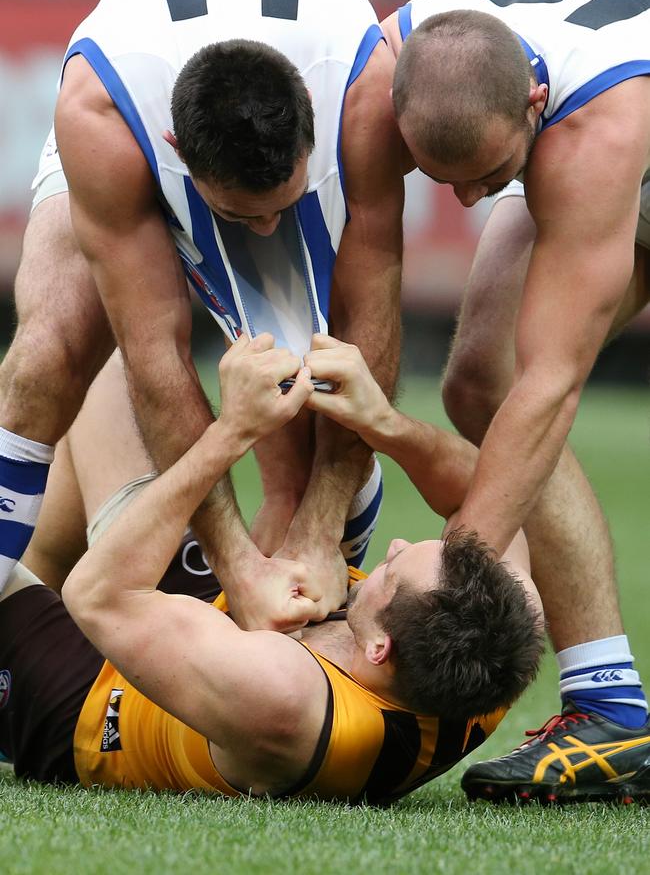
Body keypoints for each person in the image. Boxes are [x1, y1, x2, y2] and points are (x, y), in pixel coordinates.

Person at [0, 0, 405, 630]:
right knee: (48, 357)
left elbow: (370, 324)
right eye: (242, 217)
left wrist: (318, 529)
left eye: (281, 207)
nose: (268, 232)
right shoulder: (103, 112)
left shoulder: (363, 93)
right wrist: (237, 565)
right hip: (130, 113)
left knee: (305, 404)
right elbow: (155, 352)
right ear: (177, 151)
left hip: (293, 110)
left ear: (311, 125)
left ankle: (275, 624)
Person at [0, 335, 543, 803]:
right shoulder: (500, 639)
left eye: (392, 570)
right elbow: (488, 493)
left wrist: (231, 431)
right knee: (121, 363)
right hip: (211, 617)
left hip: (92, 703)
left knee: (106, 366)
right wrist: (384, 423)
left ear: (379, 647)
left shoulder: (286, 699)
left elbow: (97, 594)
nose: (396, 545)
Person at [381, 0, 650, 800]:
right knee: (475, 383)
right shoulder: (387, 56)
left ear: (534, 105)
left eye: (488, 177)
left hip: (626, 103)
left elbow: (553, 382)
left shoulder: (593, 132)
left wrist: (447, 590)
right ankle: (616, 714)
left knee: (529, 380)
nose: (464, 204)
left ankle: (611, 711)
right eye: (441, 180)